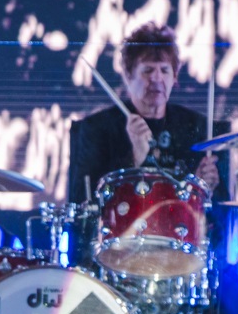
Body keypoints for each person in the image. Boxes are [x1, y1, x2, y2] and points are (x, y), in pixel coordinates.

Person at [66, 22, 224, 205]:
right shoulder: (97, 129)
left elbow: (220, 210)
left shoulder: (196, 127)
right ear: (128, 75)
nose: (156, 78)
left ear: (175, 77)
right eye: (148, 70)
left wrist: (201, 187)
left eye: (164, 70)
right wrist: (133, 159)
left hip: (180, 231)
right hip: (122, 230)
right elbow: (82, 201)